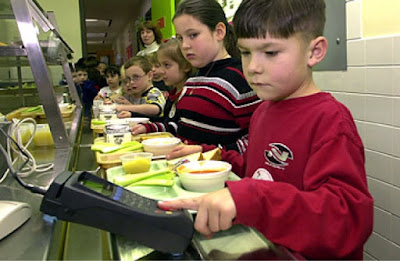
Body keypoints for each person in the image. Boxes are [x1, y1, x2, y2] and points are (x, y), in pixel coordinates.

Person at [159, 0, 374, 259]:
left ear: (314, 51)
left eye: (270, 53)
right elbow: (257, 169)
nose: (253, 67)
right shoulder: (264, 111)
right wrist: (207, 155)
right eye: (246, 52)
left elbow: (346, 219)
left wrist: (251, 199)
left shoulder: (330, 119)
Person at [131, 38, 195, 132]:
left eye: (167, 65)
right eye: (160, 65)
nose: (161, 71)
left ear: (186, 66)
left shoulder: (190, 96)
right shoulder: (173, 94)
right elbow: (167, 122)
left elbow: (179, 128)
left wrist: (150, 127)